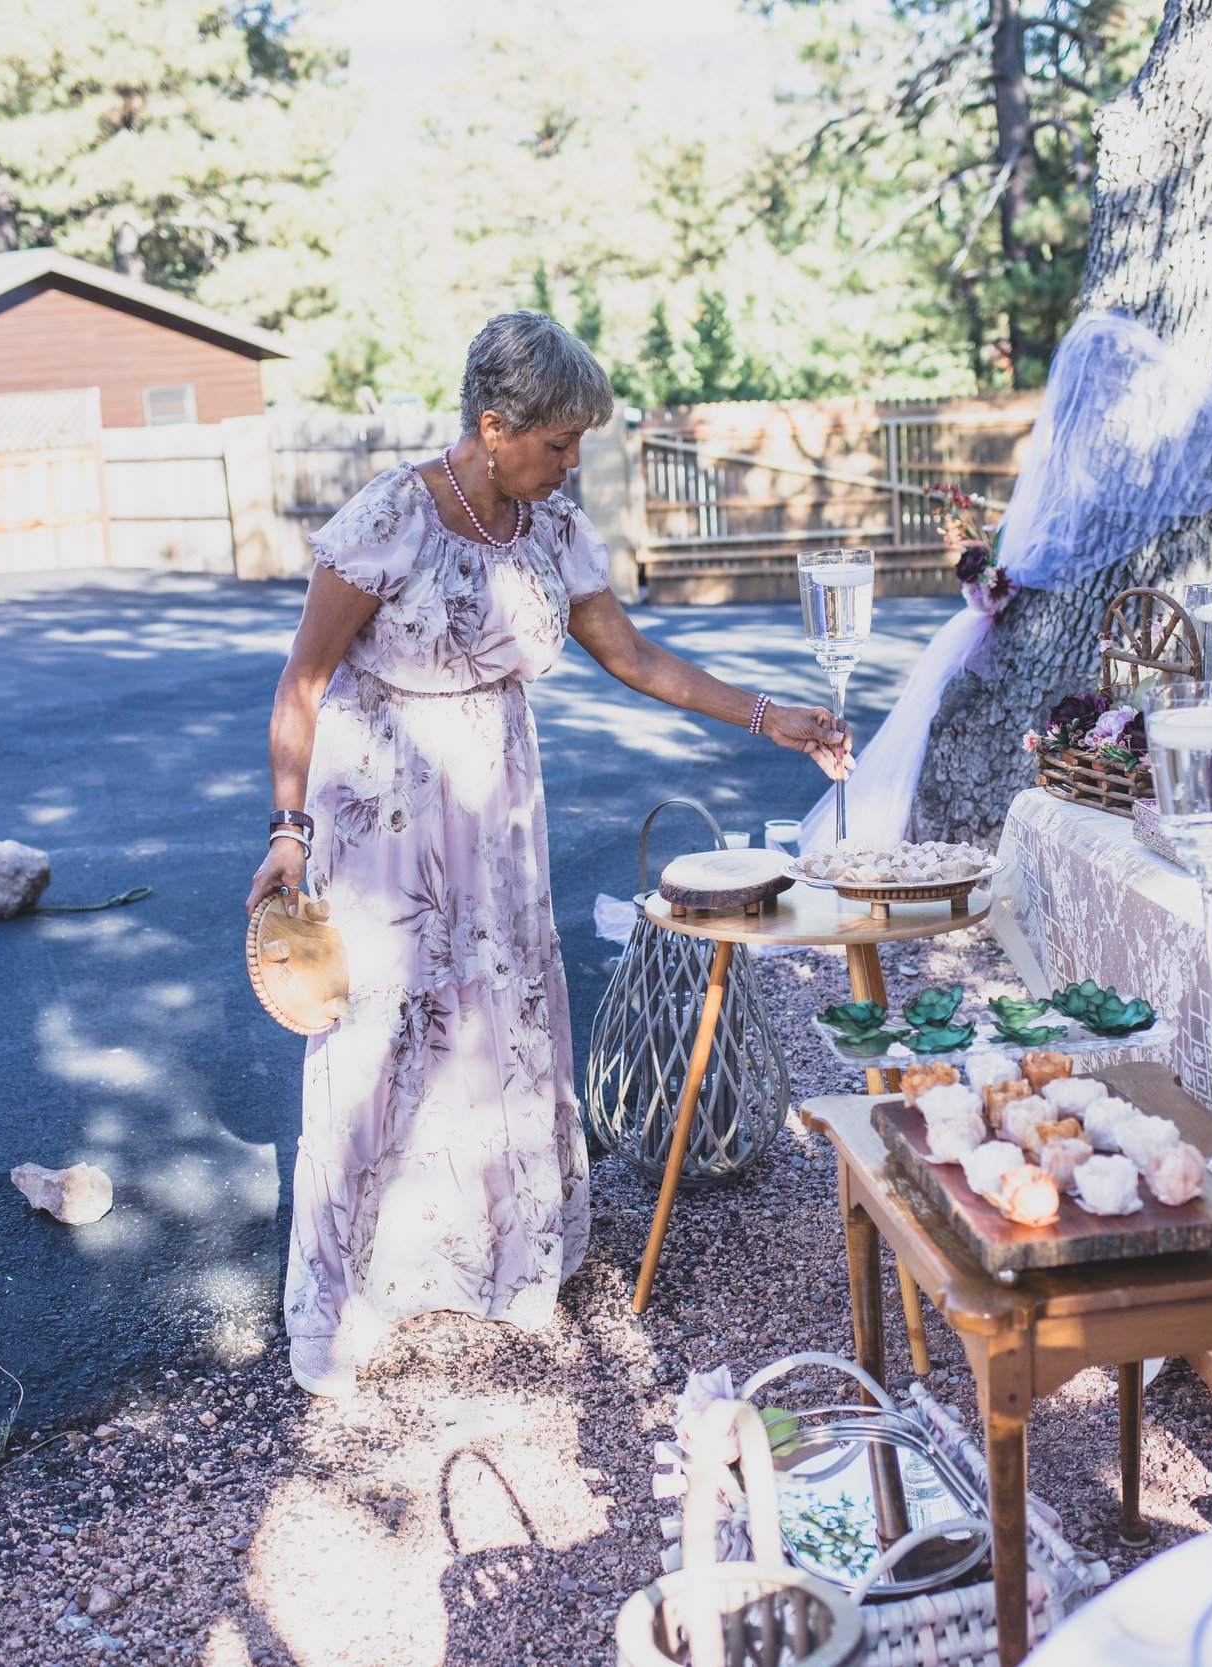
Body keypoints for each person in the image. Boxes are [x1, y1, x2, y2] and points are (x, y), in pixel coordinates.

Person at [246, 311, 850, 1396]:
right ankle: (355, 1294)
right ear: (493, 425)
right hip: (384, 813)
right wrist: (287, 831)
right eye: (559, 443)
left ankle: (494, 1260)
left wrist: (773, 716)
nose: (571, 464)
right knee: (384, 1030)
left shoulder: (548, 524)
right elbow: (302, 681)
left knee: (496, 1025)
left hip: (499, 812)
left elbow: (630, 653)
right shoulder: (389, 515)